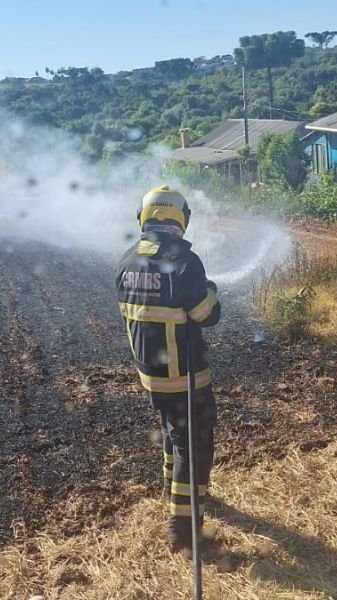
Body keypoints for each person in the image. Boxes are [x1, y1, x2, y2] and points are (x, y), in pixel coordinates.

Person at [115, 185, 221, 552]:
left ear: (144, 216)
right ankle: (184, 531)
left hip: (151, 374)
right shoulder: (184, 260)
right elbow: (206, 315)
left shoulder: (127, 259)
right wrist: (210, 290)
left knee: (172, 432)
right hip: (185, 375)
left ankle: (172, 490)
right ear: (181, 217)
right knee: (194, 446)